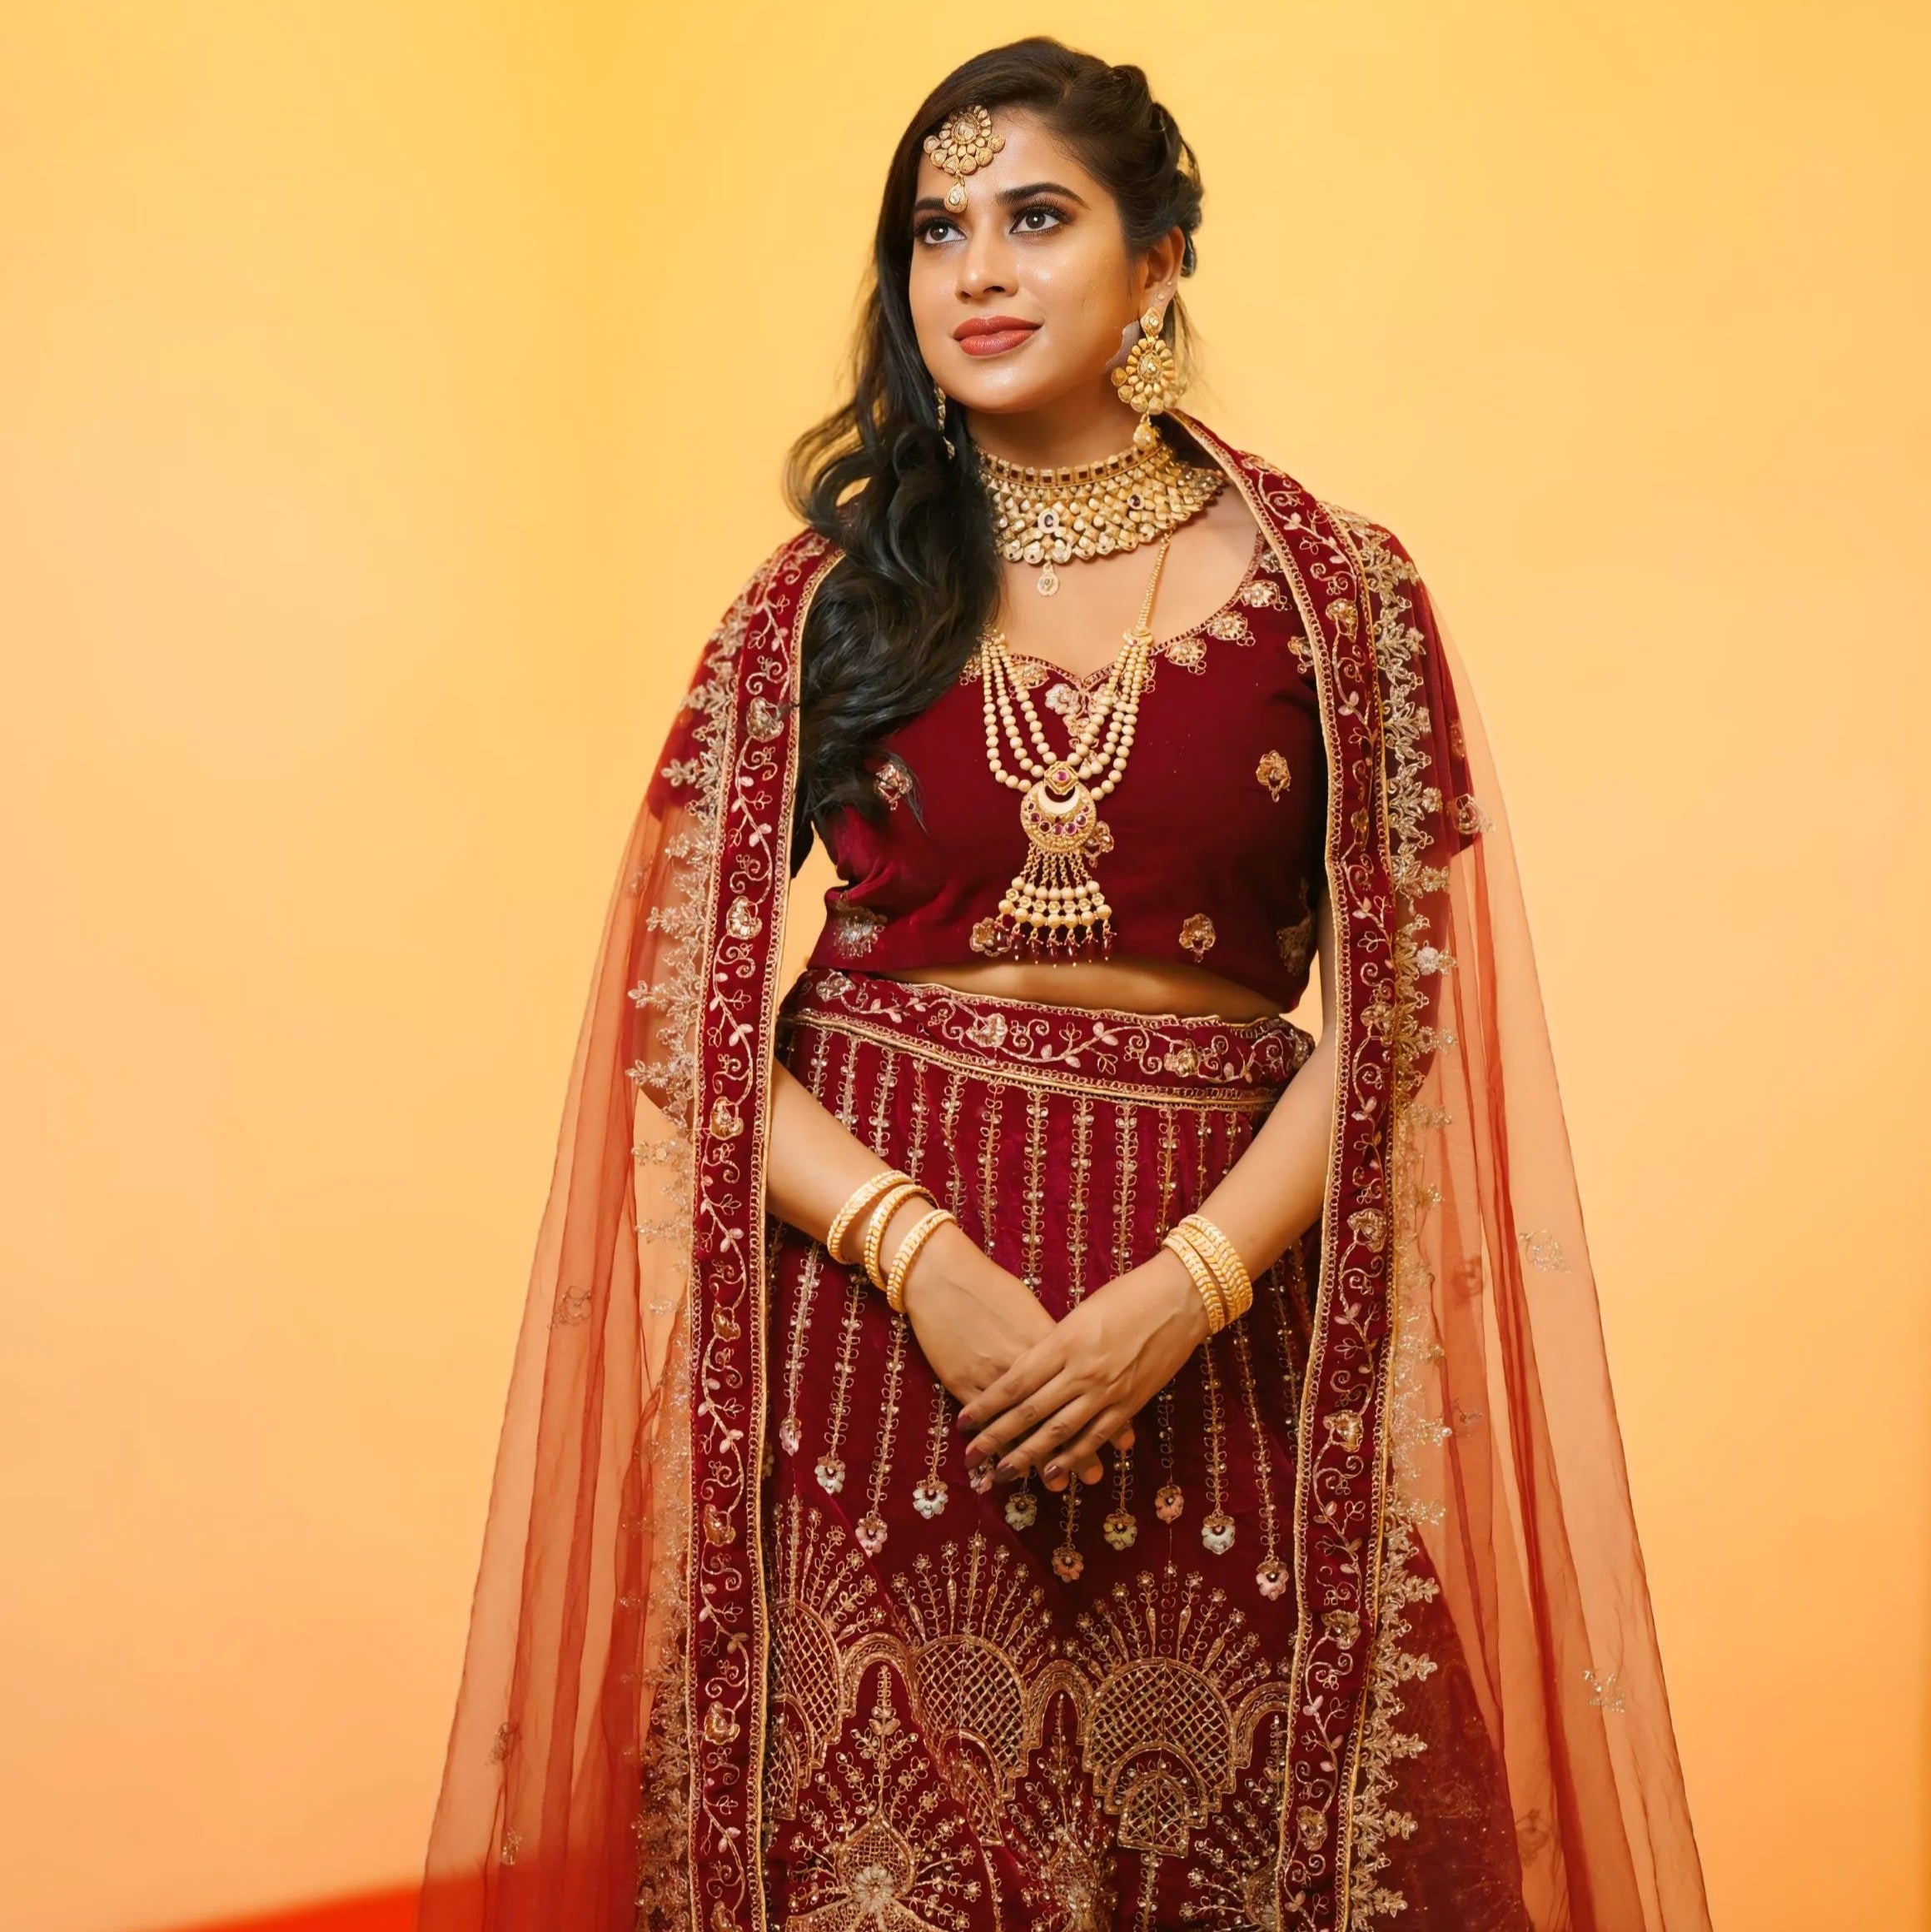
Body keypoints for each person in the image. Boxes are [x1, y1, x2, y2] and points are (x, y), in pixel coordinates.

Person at [418, 37, 1710, 1932]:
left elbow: (1394, 1025)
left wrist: (1178, 1297)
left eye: (1037, 218)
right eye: (936, 231)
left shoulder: (1335, 593)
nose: (978, 272)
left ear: (1160, 260)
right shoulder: (830, 601)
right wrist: (919, 1252)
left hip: (1223, 1360)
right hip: (870, 1373)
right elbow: (673, 1012)